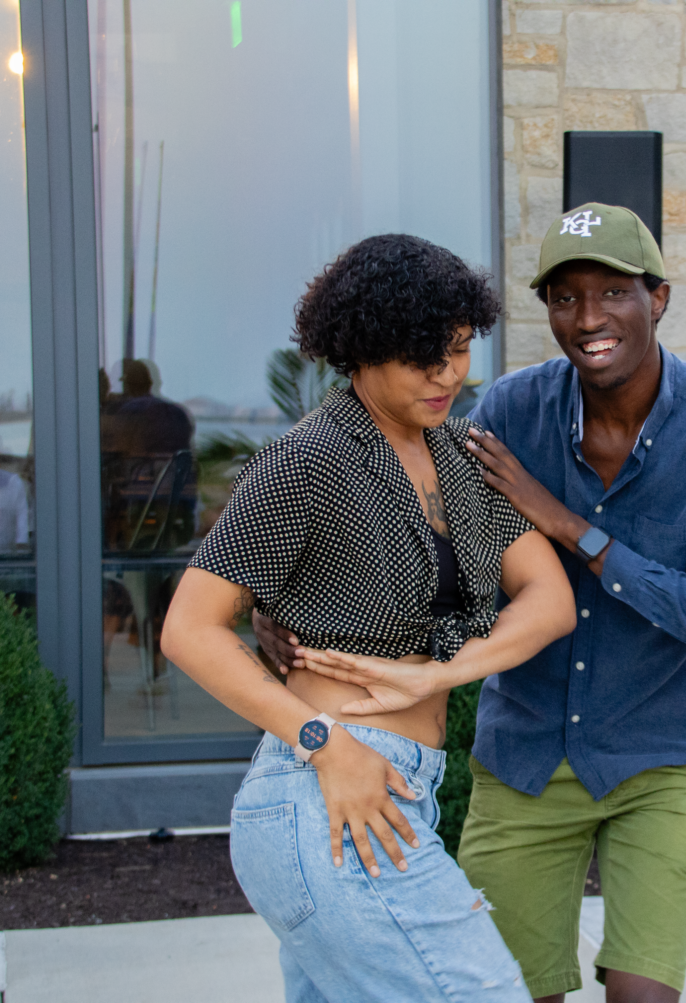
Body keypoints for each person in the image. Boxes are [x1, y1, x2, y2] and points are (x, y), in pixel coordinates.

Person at [257, 203, 686, 1003]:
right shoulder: (507, 413)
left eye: (613, 292)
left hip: (668, 752)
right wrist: (292, 598)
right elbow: (426, 546)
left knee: (643, 995)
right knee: (503, 991)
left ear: (659, 298)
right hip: (528, 753)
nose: (589, 317)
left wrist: (569, 525)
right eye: (565, 298)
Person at [161, 234, 576, 1003]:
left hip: (401, 790)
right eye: (425, 357)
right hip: (327, 789)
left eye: (457, 351)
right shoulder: (307, 460)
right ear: (362, 348)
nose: (448, 374)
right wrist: (326, 746)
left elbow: (549, 600)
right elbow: (189, 627)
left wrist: (451, 667)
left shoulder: (459, 455)